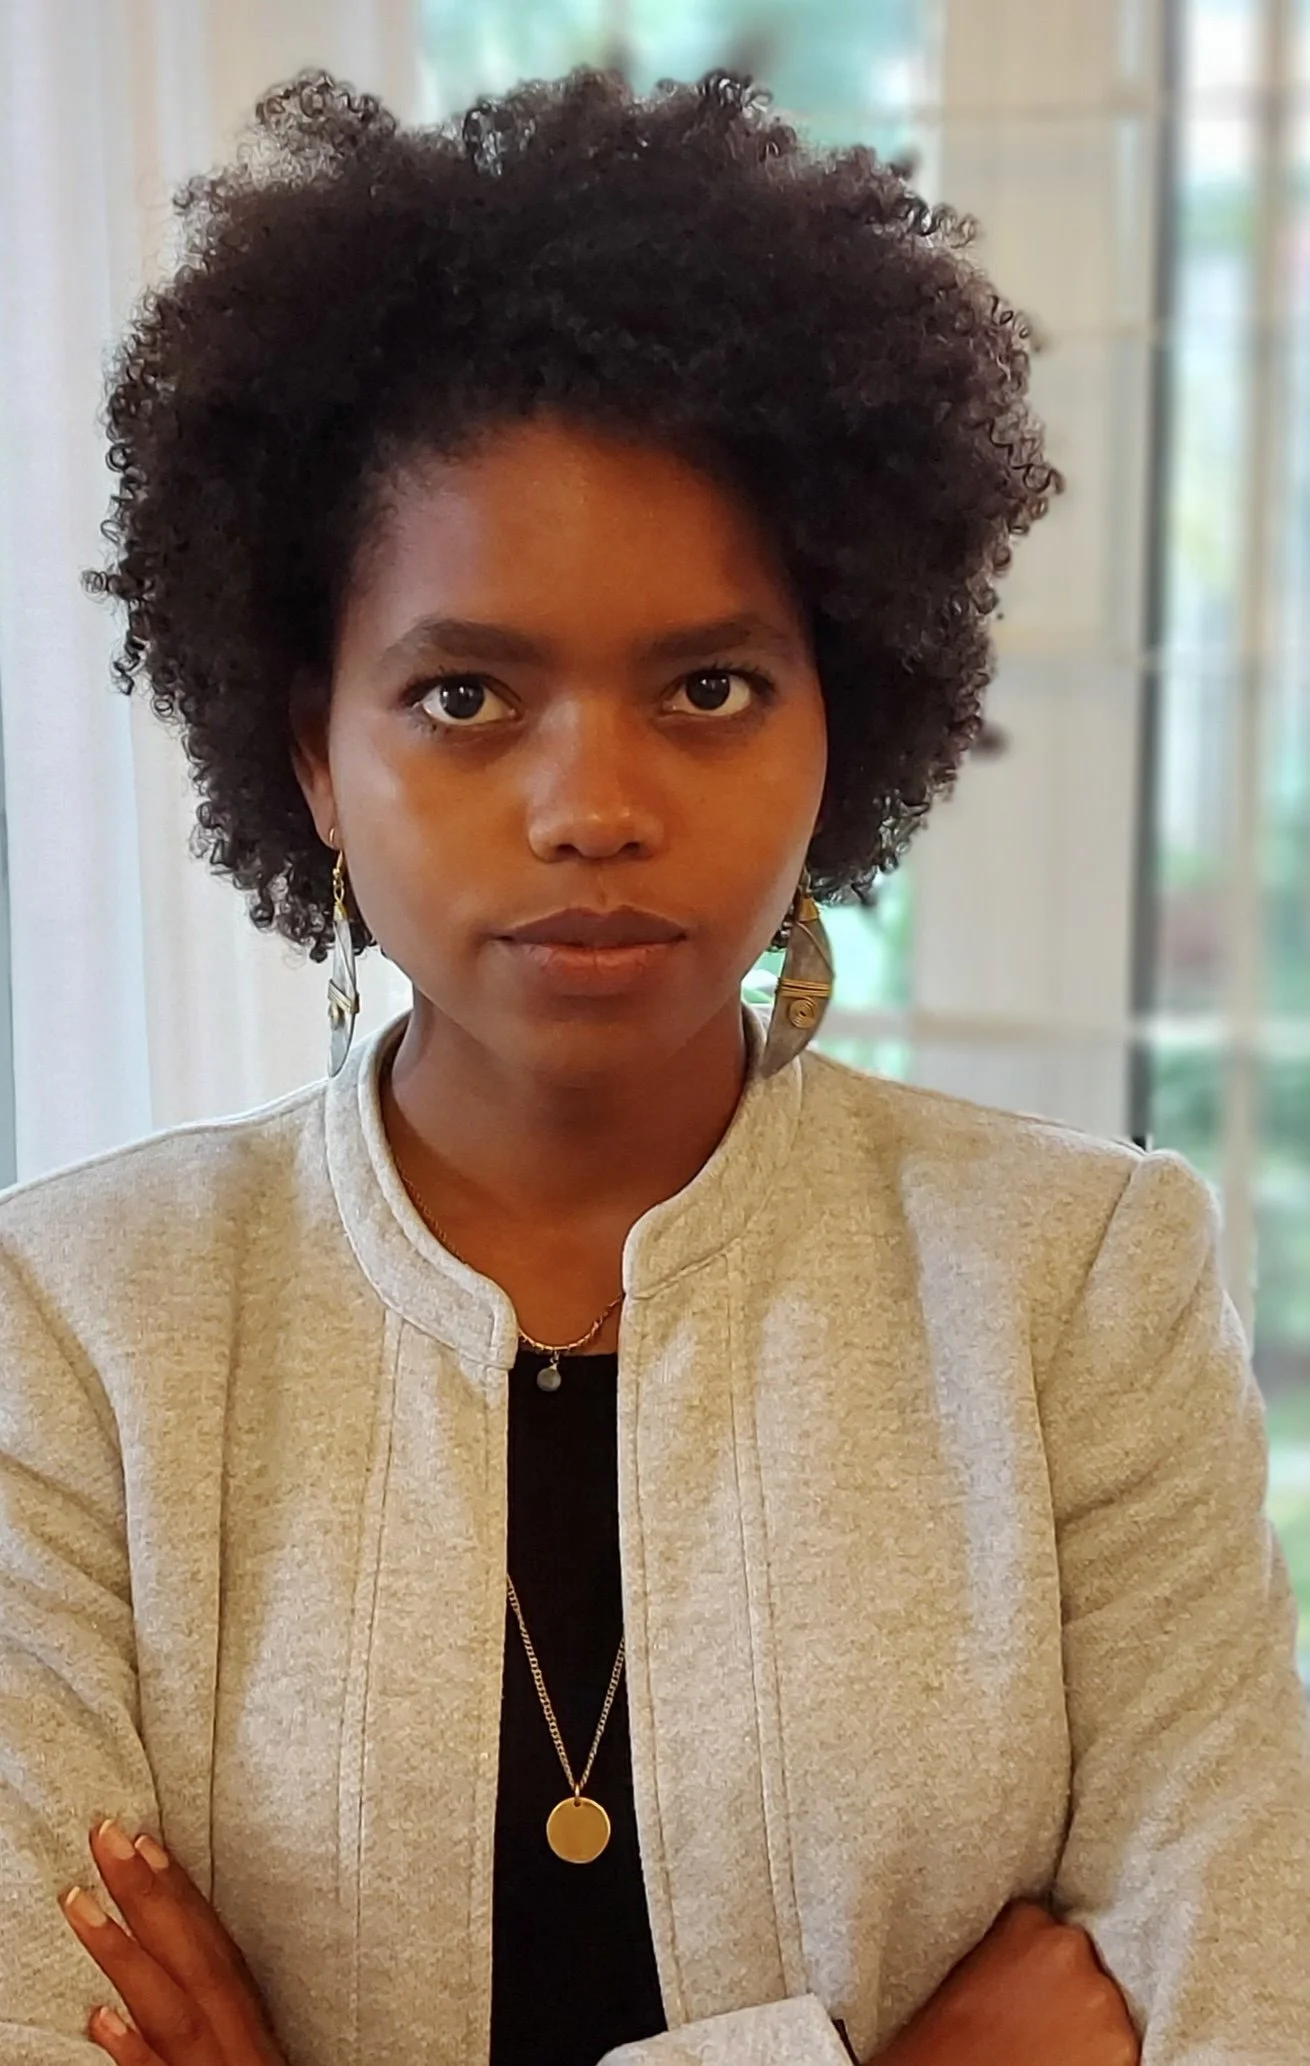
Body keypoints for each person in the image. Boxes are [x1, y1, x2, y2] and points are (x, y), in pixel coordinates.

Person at [0, 60, 1306, 2066]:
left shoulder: (1076, 1288)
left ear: (839, 717)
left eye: (707, 684)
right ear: (311, 751)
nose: (593, 806)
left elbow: (1236, 2009)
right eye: (465, 694)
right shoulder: (76, 1327)